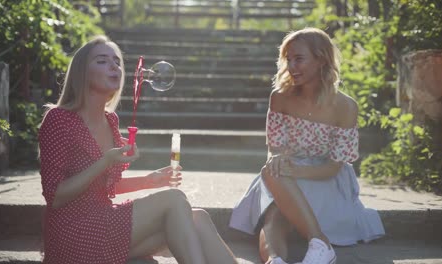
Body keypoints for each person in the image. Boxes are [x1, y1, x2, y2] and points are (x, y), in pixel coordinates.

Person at [38, 35, 238, 264]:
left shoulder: (110, 121)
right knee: (173, 200)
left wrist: (149, 180)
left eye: (117, 61)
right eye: (102, 61)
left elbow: (102, 185)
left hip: (104, 223)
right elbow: (54, 197)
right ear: (82, 72)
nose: (114, 66)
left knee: (199, 218)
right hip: (73, 230)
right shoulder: (59, 119)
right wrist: (105, 162)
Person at [229, 27, 385, 264]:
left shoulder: (346, 107)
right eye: (288, 59)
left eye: (299, 59)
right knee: (273, 213)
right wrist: (277, 159)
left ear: (321, 59)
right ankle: (276, 260)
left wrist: (293, 172)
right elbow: (275, 147)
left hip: (325, 178)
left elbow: (334, 167)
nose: (291, 66)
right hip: (286, 172)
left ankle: (319, 243)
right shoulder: (279, 97)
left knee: (275, 180)